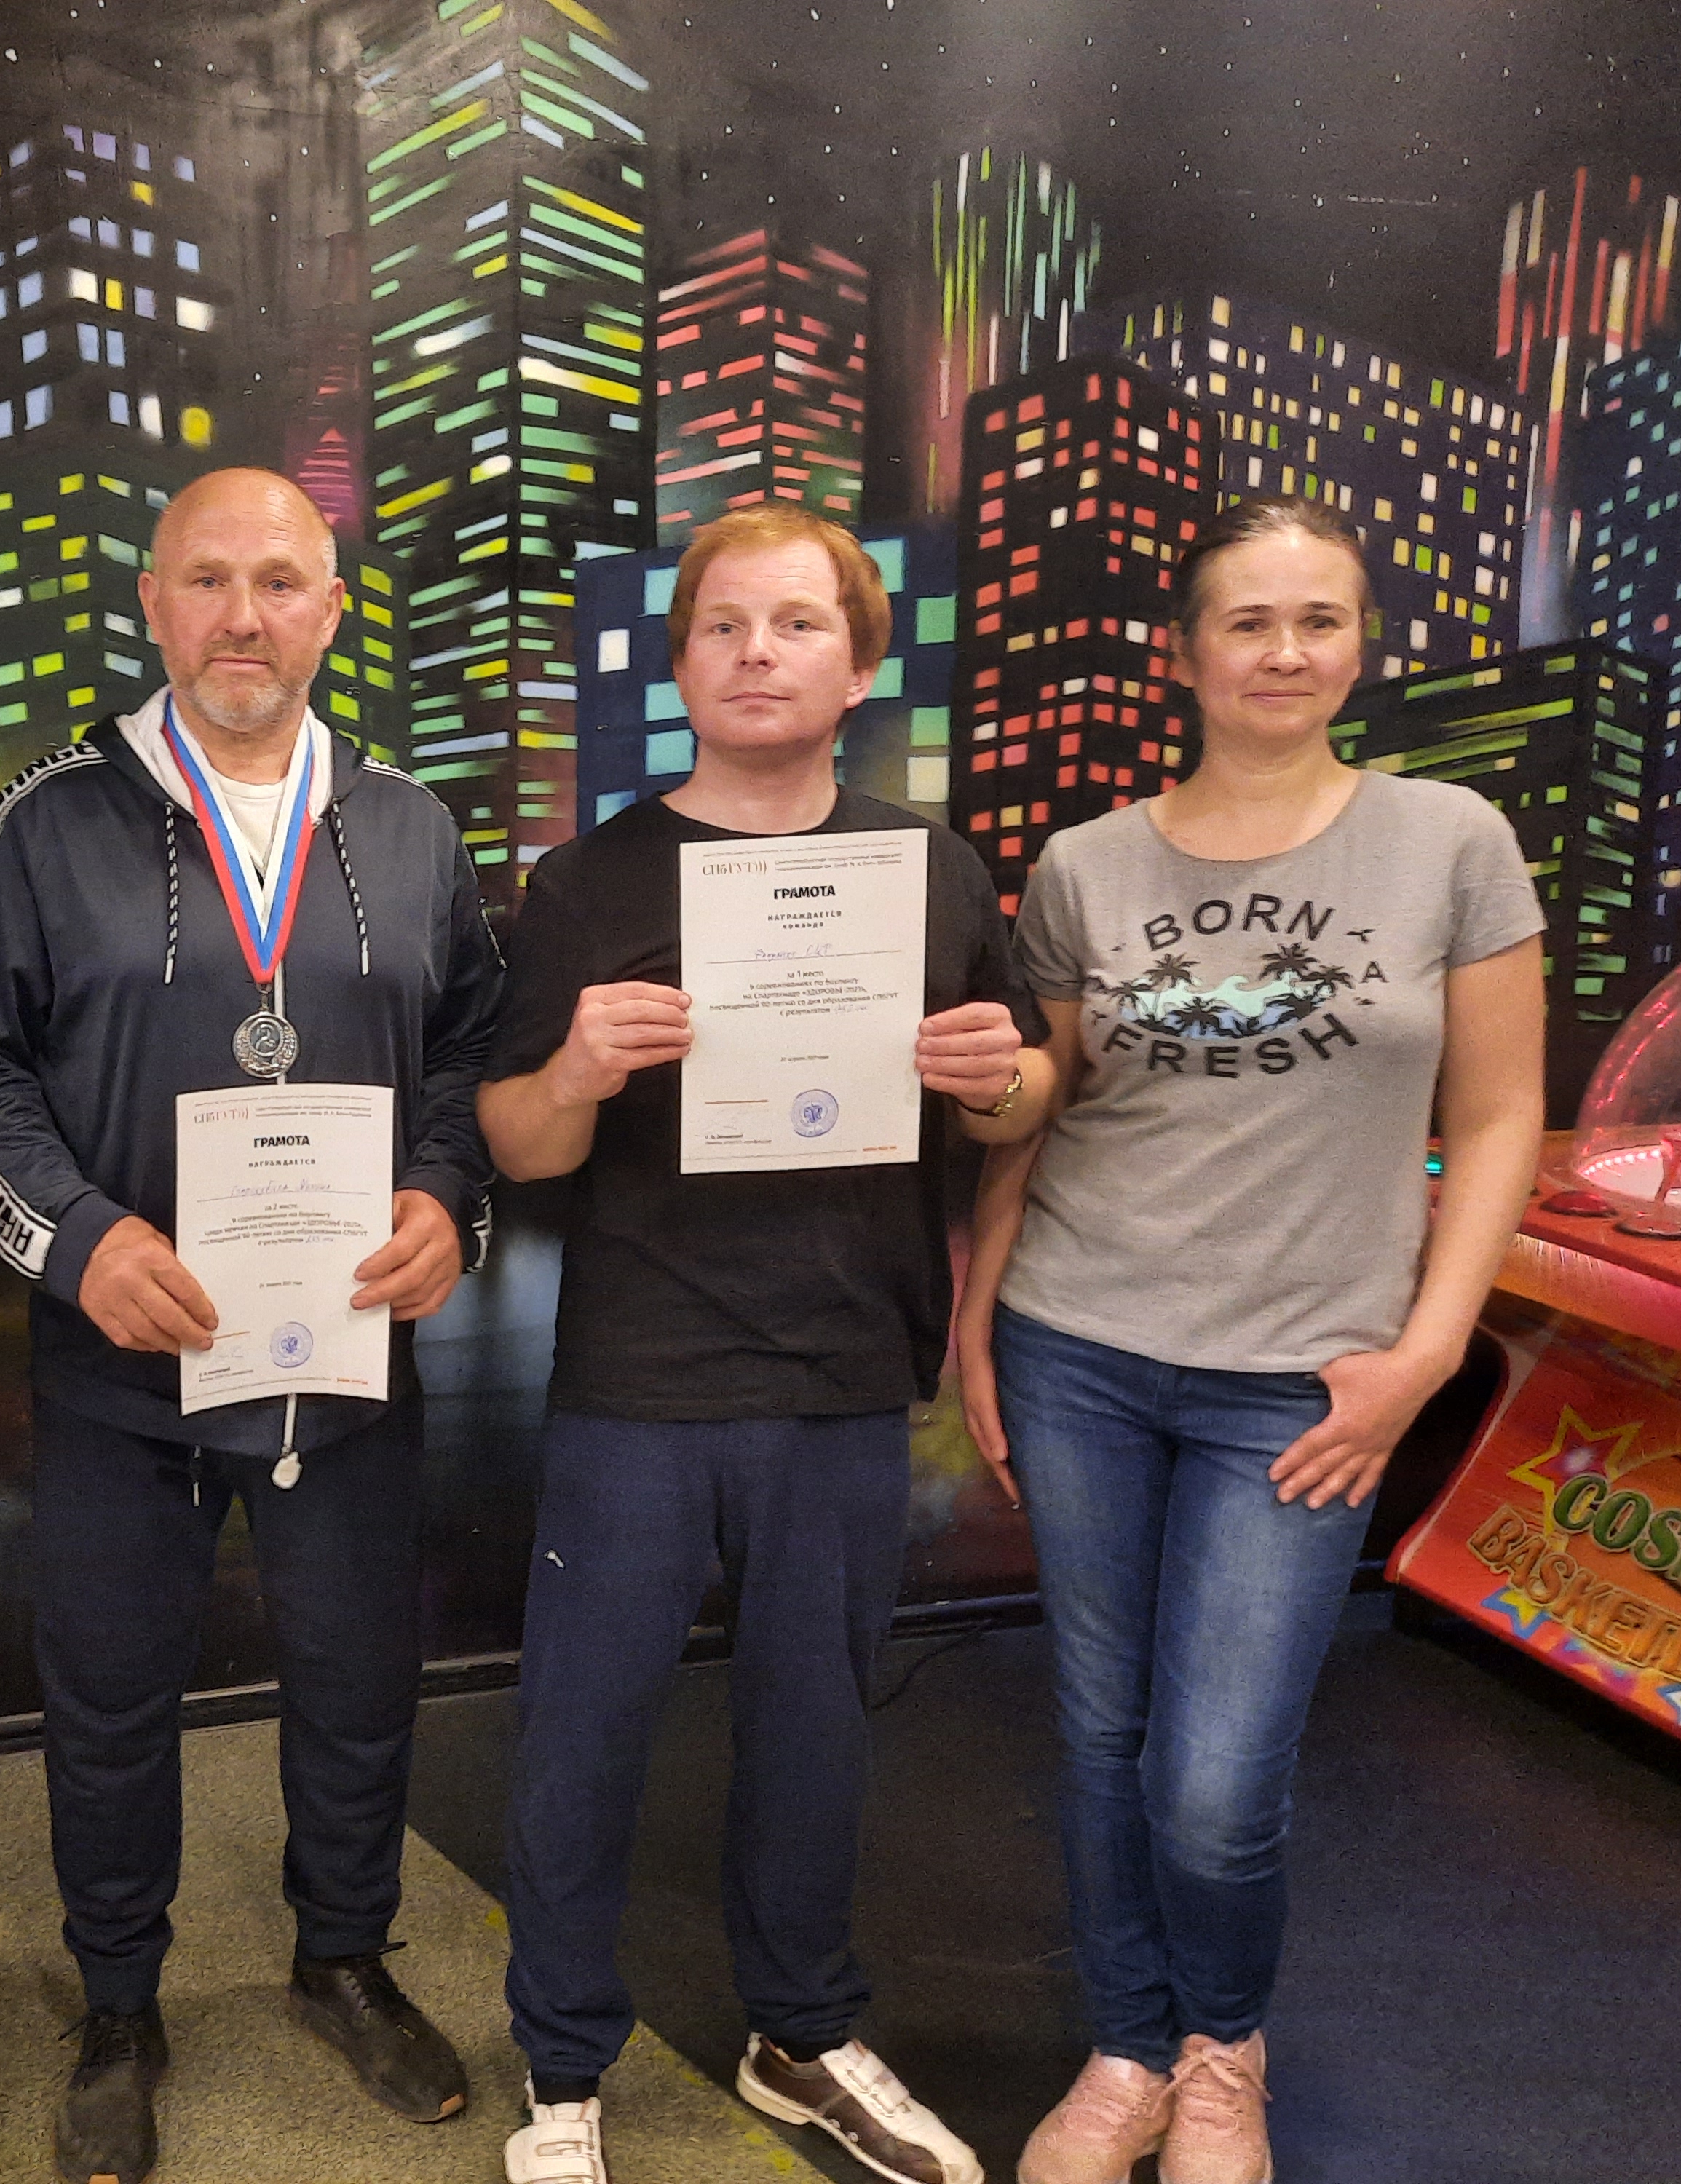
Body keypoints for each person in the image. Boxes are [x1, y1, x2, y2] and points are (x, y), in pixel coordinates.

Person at [0, 466, 499, 2184]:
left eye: (280, 582)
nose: (245, 617)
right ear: (152, 604)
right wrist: (72, 1240)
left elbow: (471, 1049)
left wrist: (447, 1196)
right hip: (122, 1361)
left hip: (344, 1359)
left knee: (356, 1681)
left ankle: (343, 1956)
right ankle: (116, 2007)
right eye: (208, 581)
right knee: (106, 1703)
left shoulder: (409, 824)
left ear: (331, 609)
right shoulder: (46, 816)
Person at [952, 498, 1546, 2184]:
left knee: (1214, 1782)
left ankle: (1223, 2049)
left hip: (1302, 1382)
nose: (1282, 652)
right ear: (1183, 654)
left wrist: (1423, 1357)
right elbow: (1039, 1113)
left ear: (1357, 645)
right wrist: (978, 1320)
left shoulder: (1448, 841)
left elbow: (1497, 1118)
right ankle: (1129, 2049)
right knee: (1098, 1736)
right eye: (1245, 622)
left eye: (1316, 620)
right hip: (1079, 1345)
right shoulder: (1087, 864)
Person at [478, 505, 1053, 2184]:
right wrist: (573, 1071)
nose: (755, 654)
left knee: (813, 1737)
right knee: (580, 1739)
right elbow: (516, 1147)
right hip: (640, 1379)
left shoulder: (928, 871)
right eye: (721, 626)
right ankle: (560, 2073)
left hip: (843, 1376)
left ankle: (798, 2036)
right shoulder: (585, 881)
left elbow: (1021, 1092)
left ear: (858, 667)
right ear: (678, 665)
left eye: (795, 624)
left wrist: (994, 1078)